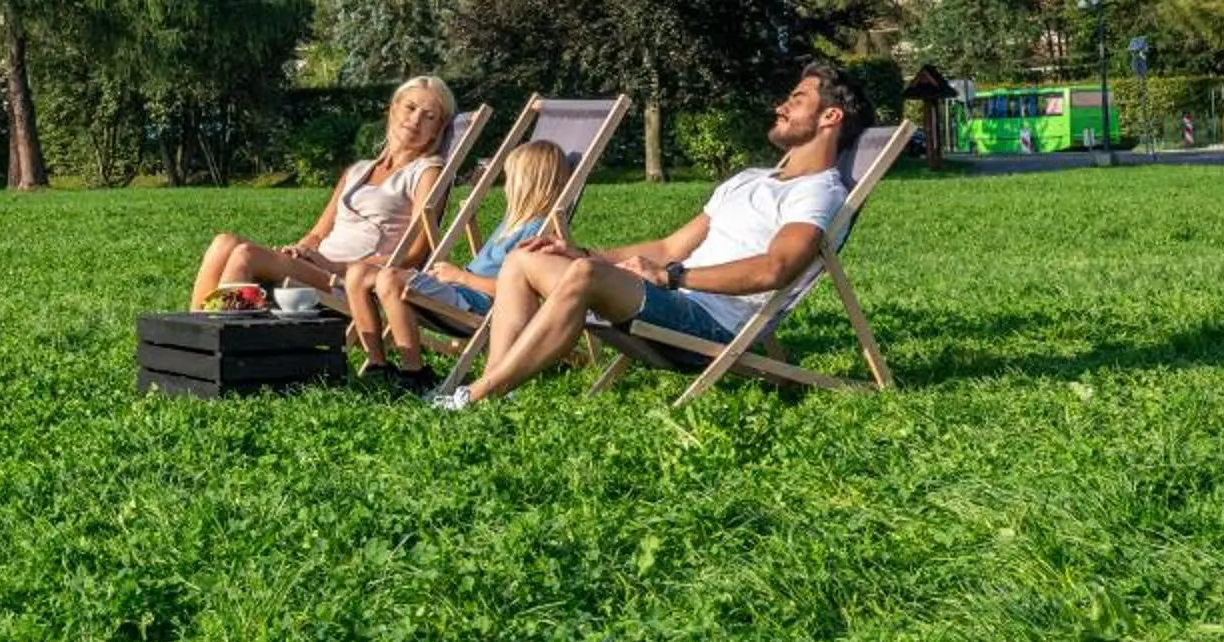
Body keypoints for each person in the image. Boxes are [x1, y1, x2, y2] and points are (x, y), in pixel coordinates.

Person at [437, 63, 871, 408]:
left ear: (830, 116)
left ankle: (477, 394)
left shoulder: (819, 192)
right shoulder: (749, 179)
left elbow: (776, 268)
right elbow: (668, 247)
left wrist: (673, 277)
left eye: (797, 99)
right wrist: (582, 251)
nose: (781, 105)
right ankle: (495, 385)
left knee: (586, 276)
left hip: (710, 323)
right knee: (524, 259)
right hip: (672, 296)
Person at [189, 76, 458, 310]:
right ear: (393, 109)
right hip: (318, 266)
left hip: (352, 281)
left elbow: (414, 256)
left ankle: (220, 347)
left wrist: (334, 266)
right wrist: (300, 250)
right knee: (225, 242)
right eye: (410, 108)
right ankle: (193, 342)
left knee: (245, 255)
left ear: (438, 129)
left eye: (429, 116)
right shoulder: (359, 170)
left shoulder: (426, 172)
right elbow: (318, 234)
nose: (415, 119)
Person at [340, 137, 566, 392]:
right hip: (460, 291)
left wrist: (461, 277)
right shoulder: (514, 222)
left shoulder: (537, 232)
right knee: (358, 273)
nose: (506, 187)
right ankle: (377, 364)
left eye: (510, 179)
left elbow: (521, 289)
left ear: (527, 183)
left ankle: (414, 372)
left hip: (475, 304)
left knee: (390, 278)